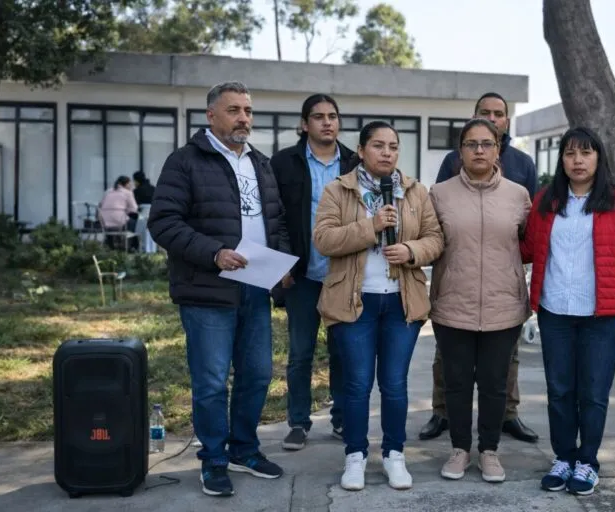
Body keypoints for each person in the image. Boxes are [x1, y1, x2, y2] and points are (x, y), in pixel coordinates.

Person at [148, 81, 291, 498]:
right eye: (234, 110)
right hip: (207, 289)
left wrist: (281, 264)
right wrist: (214, 254)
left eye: (247, 110)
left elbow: (276, 220)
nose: (243, 117)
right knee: (211, 381)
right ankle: (213, 459)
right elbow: (164, 223)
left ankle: (243, 449)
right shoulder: (185, 162)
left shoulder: (260, 163)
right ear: (211, 115)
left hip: (254, 286)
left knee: (258, 373)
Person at [313, 121, 443, 491]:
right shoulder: (338, 190)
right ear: (362, 150)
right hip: (353, 302)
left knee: (394, 384)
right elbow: (323, 239)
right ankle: (354, 456)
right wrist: (371, 227)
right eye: (379, 146)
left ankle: (394, 455)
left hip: (401, 302)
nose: (387, 153)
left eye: (393, 147)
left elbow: (435, 238)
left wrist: (412, 250)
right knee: (355, 385)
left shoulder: (415, 191)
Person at [521, 126, 615, 496]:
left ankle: (588, 462)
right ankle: (563, 457)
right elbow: (527, 249)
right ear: (561, 160)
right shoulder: (547, 201)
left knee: (593, 392)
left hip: (602, 315)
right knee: (560, 390)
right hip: (555, 311)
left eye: (586, 153)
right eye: (570, 154)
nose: (578, 160)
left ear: (598, 158)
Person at [420, 91, 539, 444]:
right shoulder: (450, 167)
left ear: (504, 126)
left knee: (505, 362)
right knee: (449, 360)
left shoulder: (522, 167)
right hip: (458, 288)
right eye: (484, 112)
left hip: (501, 289)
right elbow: (437, 224)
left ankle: (507, 416)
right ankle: (442, 413)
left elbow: (528, 228)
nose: (480, 150)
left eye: (498, 114)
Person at [271, 94, 355, 451]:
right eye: (318, 117)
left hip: (342, 274)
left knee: (343, 352)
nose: (327, 122)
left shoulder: (355, 161)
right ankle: (298, 423)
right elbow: (273, 215)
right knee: (301, 352)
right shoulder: (283, 163)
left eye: (332, 116)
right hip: (302, 274)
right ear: (305, 124)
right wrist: (283, 263)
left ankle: (340, 420)